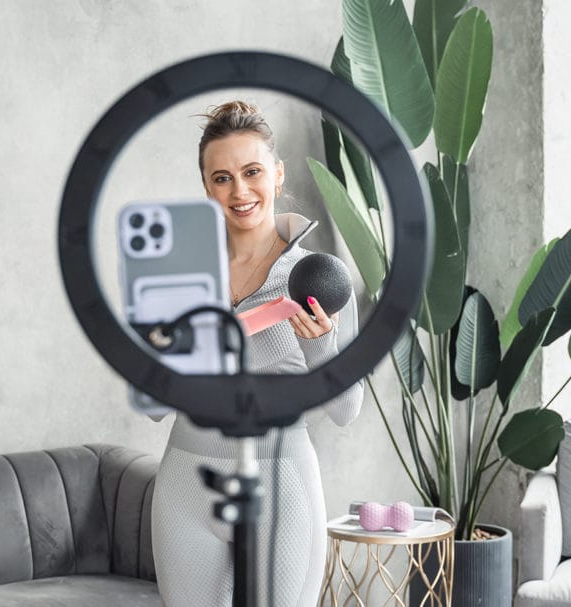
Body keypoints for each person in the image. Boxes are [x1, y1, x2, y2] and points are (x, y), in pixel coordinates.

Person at [149, 101, 364, 606]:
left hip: (281, 486)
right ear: (206, 188)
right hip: (186, 485)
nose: (239, 191)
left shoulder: (321, 279)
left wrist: (319, 345)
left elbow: (345, 410)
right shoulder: (179, 278)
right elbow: (154, 405)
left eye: (252, 172)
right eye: (221, 178)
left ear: (277, 174)